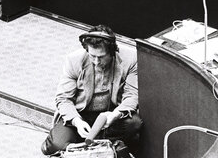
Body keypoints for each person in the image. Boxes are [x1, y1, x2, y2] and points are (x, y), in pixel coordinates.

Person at [41, 25, 142, 156]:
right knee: (58, 144)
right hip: (80, 114)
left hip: (110, 116)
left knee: (134, 123)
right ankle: (94, 145)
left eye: (101, 57)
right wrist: (77, 122)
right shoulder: (73, 60)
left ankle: (91, 146)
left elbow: (132, 96)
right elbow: (63, 99)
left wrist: (114, 115)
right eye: (92, 56)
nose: (96, 61)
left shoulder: (131, 58)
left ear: (112, 51)